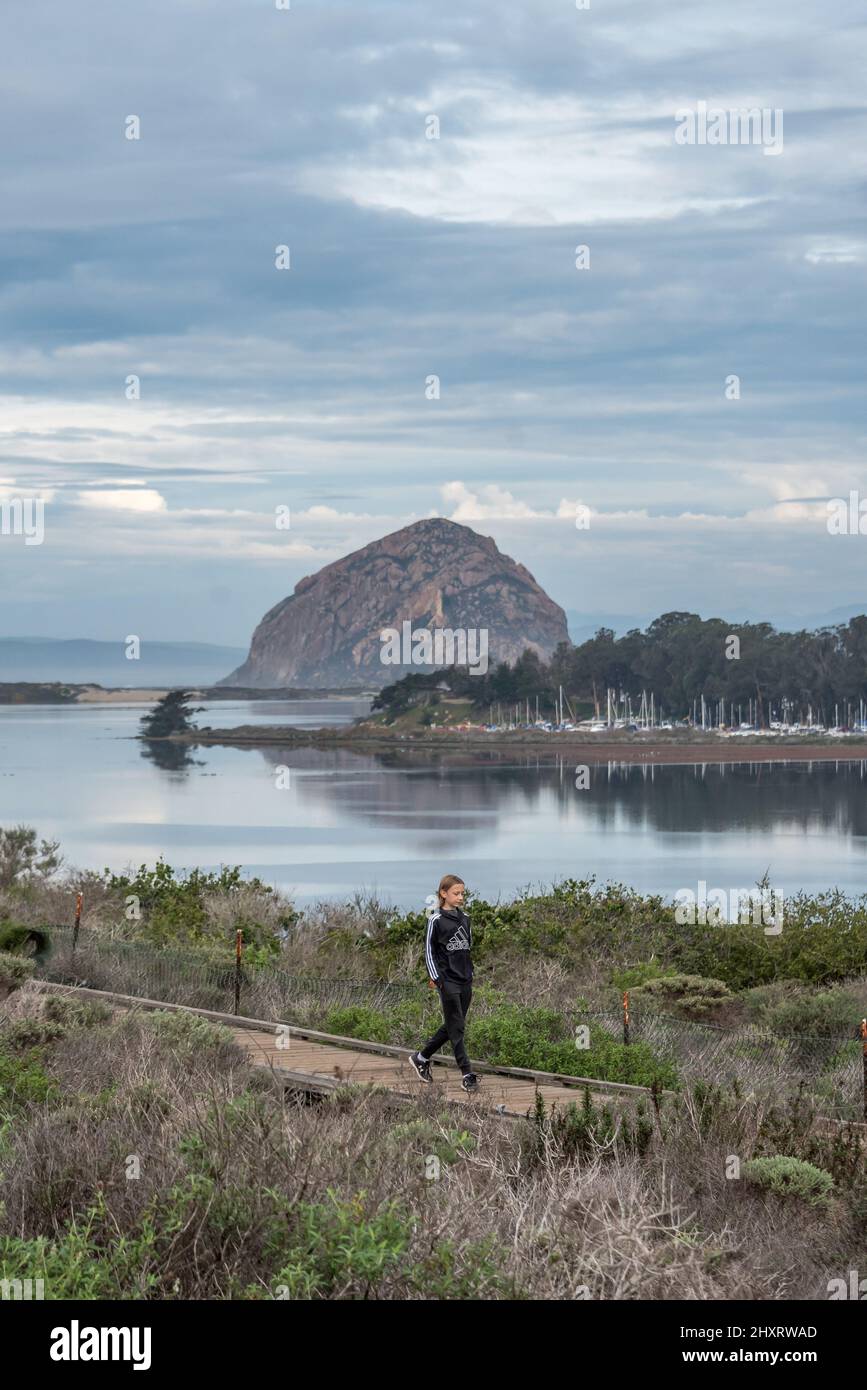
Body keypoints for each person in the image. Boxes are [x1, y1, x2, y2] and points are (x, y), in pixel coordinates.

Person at [409, 873, 479, 1093]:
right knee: (457, 1026)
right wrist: (437, 979)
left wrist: (470, 973)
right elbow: (429, 951)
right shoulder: (435, 919)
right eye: (456, 893)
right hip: (446, 981)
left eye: (462, 893)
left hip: (465, 980)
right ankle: (467, 1074)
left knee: (453, 1025)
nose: (460, 897)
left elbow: (467, 948)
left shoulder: (465, 918)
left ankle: (421, 1057)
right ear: (443, 893)